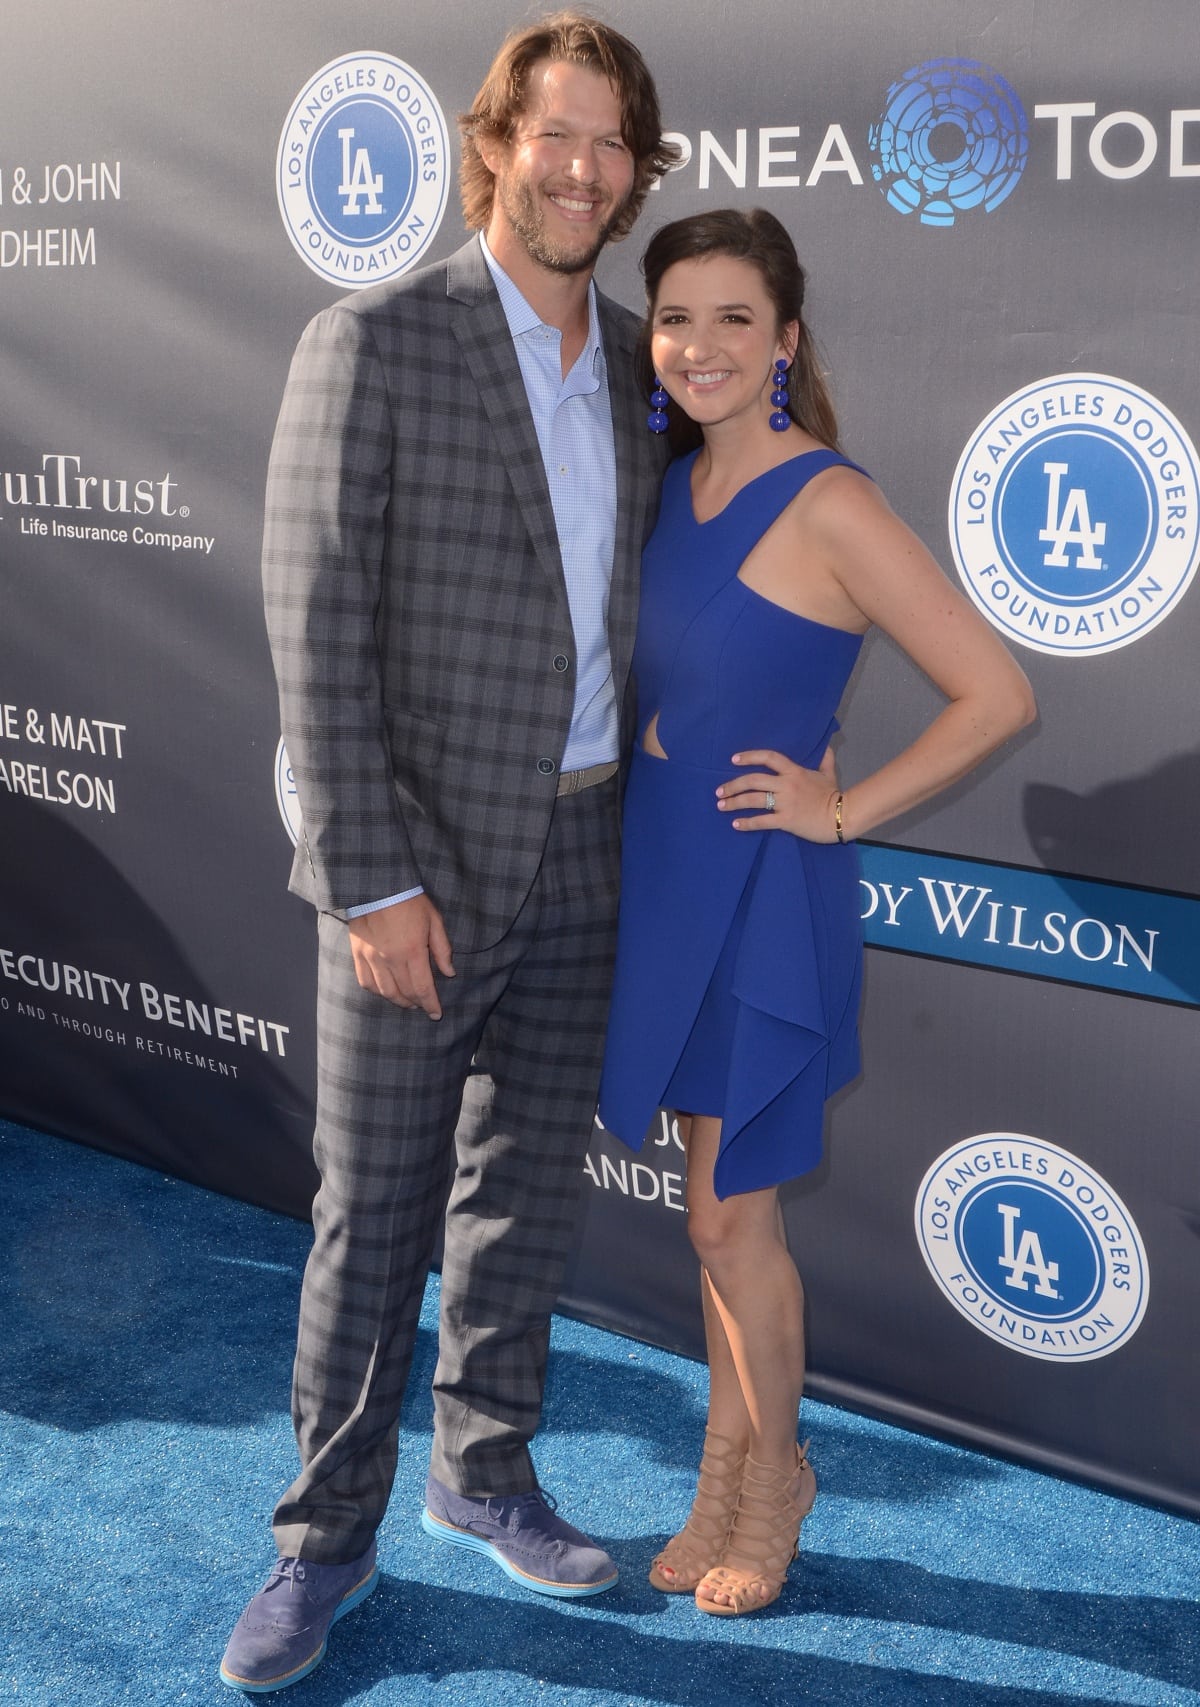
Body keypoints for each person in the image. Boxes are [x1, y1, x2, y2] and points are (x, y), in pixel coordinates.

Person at [220, 14, 677, 1693]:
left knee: (516, 1205)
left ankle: (483, 1474)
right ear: (495, 143)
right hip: (414, 870)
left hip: (588, 851)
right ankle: (318, 1546)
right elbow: (316, 629)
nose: (582, 168)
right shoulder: (375, 338)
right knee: (378, 1215)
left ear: (636, 172)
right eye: (555, 133)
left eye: (613, 141)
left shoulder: (643, 365)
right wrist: (369, 881)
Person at [598, 208, 1036, 1618]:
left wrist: (839, 808)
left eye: (736, 318)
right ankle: (728, 1464)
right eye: (677, 317)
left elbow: (998, 694)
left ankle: (772, 1476)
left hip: (758, 899)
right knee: (711, 1223)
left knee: (733, 1226)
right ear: (651, 339)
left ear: (786, 340)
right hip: (665, 883)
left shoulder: (827, 500)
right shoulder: (666, 487)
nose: (702, 345)